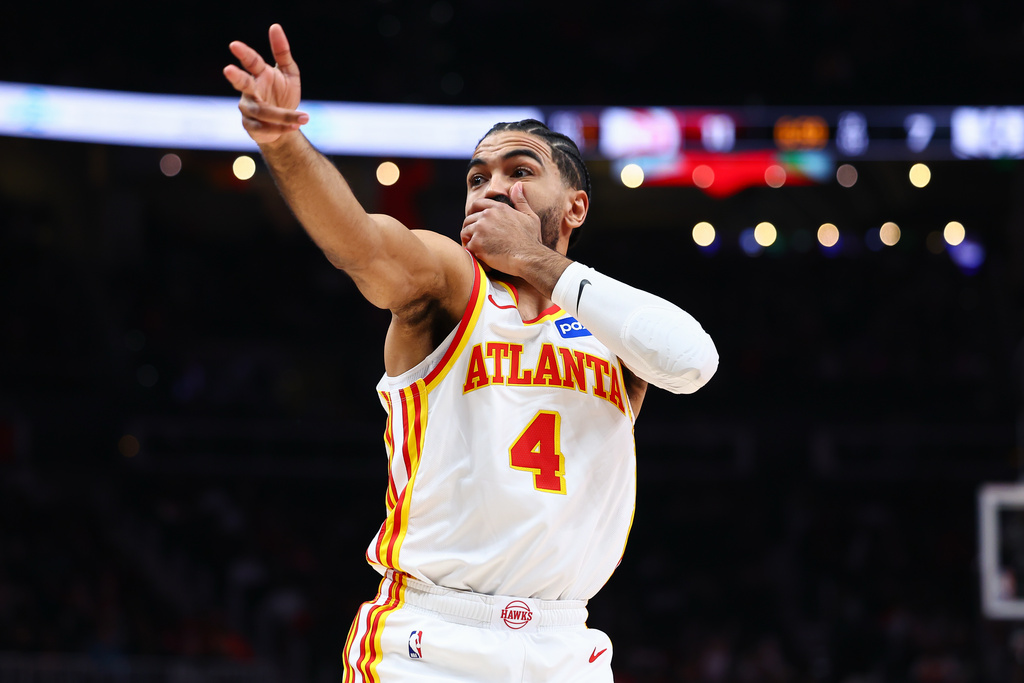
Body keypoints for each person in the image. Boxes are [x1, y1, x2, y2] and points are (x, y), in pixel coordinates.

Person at [224, 23, 719, 682]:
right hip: (432, 639)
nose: (490, 187)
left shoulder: (608, 319)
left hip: (565, 643)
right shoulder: (451, 280)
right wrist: (284, 142)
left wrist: (537, 262)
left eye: (519, 172)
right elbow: (360, 244)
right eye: (477, 175)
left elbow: (695, 361)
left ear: (575, 207)